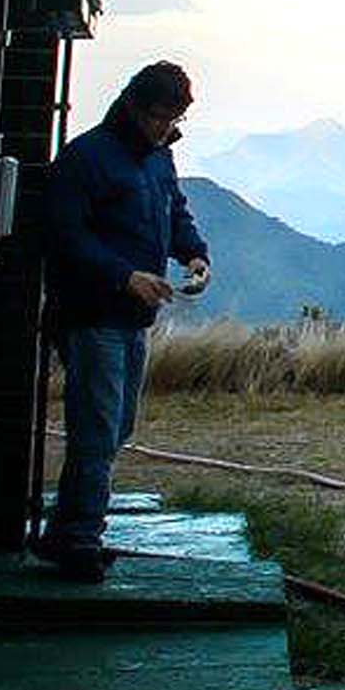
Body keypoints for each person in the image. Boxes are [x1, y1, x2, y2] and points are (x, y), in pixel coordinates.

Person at [37, 60, 211, 580]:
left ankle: (66, 530)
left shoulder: (158, 158)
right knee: (97, 426)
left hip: (135, 317)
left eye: (175, 118)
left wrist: (193, 254)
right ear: (134, 107)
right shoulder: (86, 159)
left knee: (117, 426)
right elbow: (64, 236)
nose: (166, 128)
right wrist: (123, 276)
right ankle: (80, 543)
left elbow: (173, 210)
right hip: (92, 315)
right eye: (160, 117)